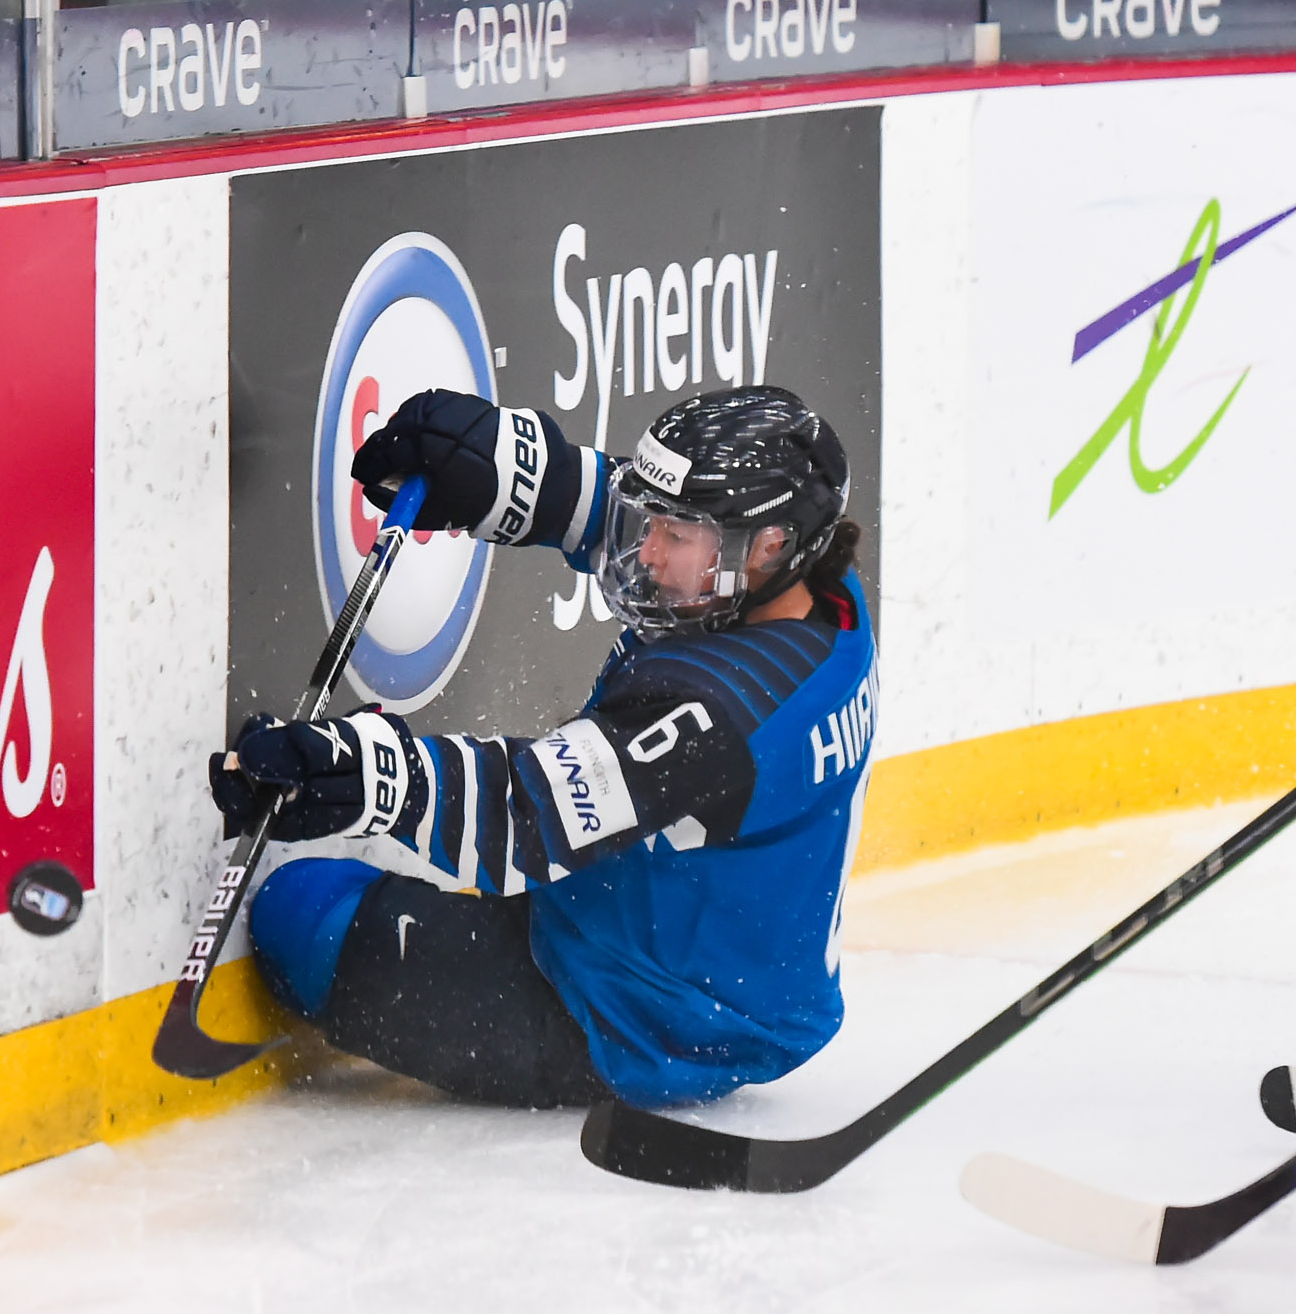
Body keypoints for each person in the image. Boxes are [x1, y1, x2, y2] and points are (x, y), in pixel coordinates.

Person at [208, 385, 878, 1112]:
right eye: (648, 520)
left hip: (637, 1020)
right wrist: (516, 473)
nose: (647, 551)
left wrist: (369, 772)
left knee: (300, 915)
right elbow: (649, 532)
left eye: (674, 536)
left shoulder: (722, 715)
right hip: (701, 963)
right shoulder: (820, 593)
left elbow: (523, 816)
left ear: (770, 545)